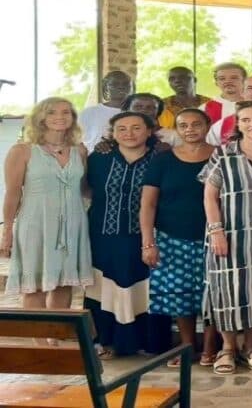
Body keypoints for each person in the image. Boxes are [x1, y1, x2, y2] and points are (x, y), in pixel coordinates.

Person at [200, 100, 252, 374]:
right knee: (227, 290)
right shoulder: (223, 154)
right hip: (230, 234)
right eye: (246, 120)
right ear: (238, 124)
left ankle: (251, 346)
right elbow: (210, 195)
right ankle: (227, 348)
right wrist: (216, 231)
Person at [140, 108, 218, 367]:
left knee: (213, 294)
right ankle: (187, 346)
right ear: (177, 129)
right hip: (172, 238)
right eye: (183, 125)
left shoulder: (221, 156)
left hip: (214, 237)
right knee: (180, 295)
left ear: (208, 125)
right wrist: (148, 243)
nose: (190, 129)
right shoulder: (163, 160)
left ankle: (210, 347)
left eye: (196, 124)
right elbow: (148, 204)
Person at [1, 98, 92, 310]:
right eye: (52, 112)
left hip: (73, 224)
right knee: (35, 285)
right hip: (36, 224)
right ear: (40, 118)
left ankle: (55, 337)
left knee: (64, 284)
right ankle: (40, 339)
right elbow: (13, 194)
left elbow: (86, 189)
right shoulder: (22, 150)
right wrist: (7, 231)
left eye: (66, 112)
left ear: (73, 118)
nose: (59, 117)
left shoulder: (79, 150)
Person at [84, 111, 160, 359]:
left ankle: (145, 342)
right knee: (103, 288)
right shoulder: (99, 158)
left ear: (149, 131)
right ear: (113, 133)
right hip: (103, 234)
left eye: (136, 128)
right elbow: (86, 190)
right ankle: (103, 340)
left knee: (144, 287)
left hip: (146, 236)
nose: (129, 133)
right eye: (122, 128)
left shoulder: (160, 159)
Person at [81, 70, 133, 152]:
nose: (121, 87)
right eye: (115, 84)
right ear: (105, 87)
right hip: (95, 162)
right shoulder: (89, 112)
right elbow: (76, 141)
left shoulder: (137, 113)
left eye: (126, 84)